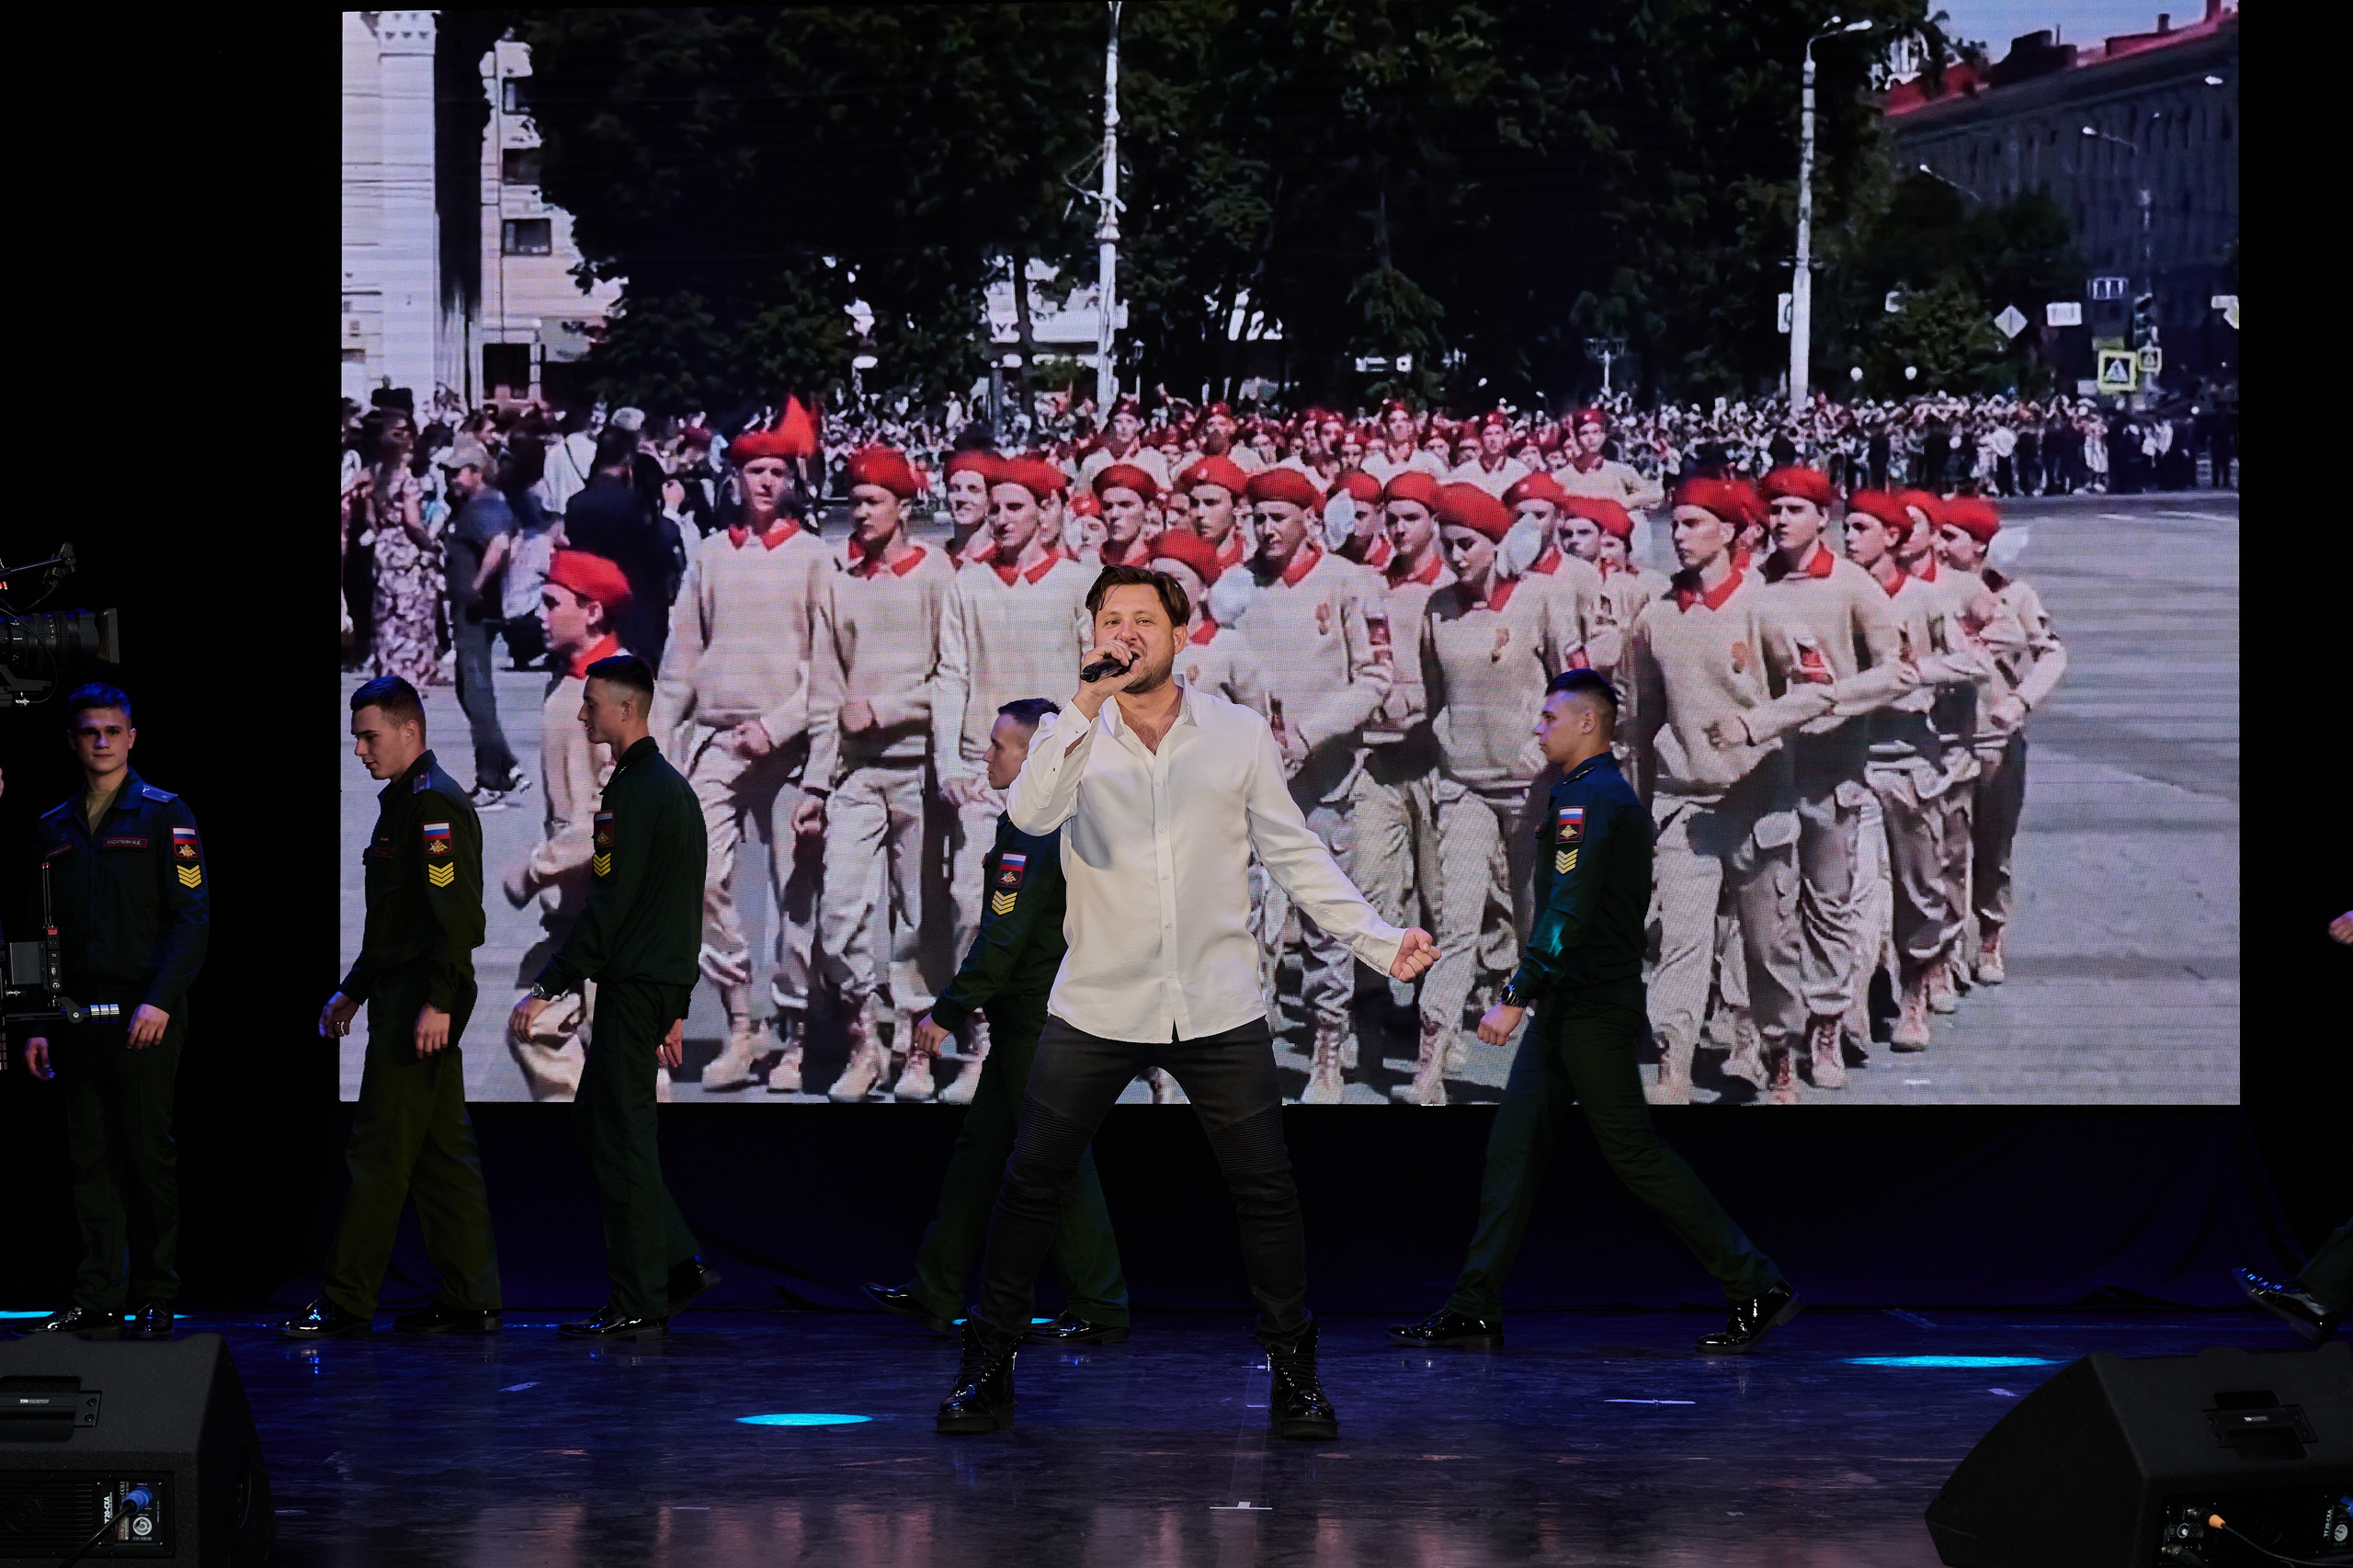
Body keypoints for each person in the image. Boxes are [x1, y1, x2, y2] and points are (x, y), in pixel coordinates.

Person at [933, 565, 1438, 1440]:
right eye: (1108, 621)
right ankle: (988, 1365)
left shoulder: (1235, 733)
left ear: (1180, 633)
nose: (1124, 633)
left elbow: (1294, 851)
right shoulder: (1072, 733)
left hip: (1215, 1001)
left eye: (1141, 620)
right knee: (1030, 1185)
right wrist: (1083, 708)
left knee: (1265, 1190)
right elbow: (1030, 814)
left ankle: (1294, 1374)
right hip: (1097, 1001)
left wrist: (1377, 940)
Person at [1389, 672, 1801, 1355]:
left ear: (1588, 724)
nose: (1537, 729)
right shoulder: (1587, 795)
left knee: (1634, 1154)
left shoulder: (1591, 801)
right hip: (1569, 1006)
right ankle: (1473, 1306)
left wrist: (1515, 995)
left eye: (1549, 718)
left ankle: (1756, 1283)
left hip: (1588, 1007)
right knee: (1511, 1154)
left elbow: (1567, 912)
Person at [866, 699, 1131, 1344]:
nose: (987, 756)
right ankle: (935, 1285)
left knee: (1059, 1160)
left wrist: (948, 1009)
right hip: (1026, 1019)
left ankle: (1100, 1304)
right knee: (978, 1154)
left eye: (999, 746)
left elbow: (1003, 937)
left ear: (1034, 754)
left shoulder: (1035, 826)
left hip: (1038, 1022)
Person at [508, 653, 715, 1339]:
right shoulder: (677, 792)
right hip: (657, 985)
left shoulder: (629, 794)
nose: (582, 712)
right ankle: (676, 1263)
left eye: (592, 701)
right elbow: (690, 907)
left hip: (629, 989)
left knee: (623, 1140)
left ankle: (639, 1298)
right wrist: (680, 1000)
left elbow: (608, 908)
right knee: (600, 1123)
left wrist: (547, 986)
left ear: (626, 709)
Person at [287, 676, 501, 1337]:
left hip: (422, 999)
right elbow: (395, 922)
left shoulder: (434, 806)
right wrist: (352, 987)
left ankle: (347, 1300)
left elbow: (455, 916)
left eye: (369, 735)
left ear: (410, 731)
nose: (359, 749)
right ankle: (472, 1295)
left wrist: (439, 1001)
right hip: (402, 993)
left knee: (379, 1148)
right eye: (355, 736)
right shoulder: (403, 804)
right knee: (440, 1154)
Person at [1623, 478, 1831, 1104]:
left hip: (1756, 799)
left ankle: (1776, 1048)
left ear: (1732, 532)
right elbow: (1638, 724)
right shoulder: (1655, 619)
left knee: (1766, 948)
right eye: (1675, 525)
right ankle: (1674, 1063)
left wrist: (1754, 723)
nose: (1678, 536)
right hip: (1684, 803)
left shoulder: (1764, 608)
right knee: (1680, 942)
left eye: (1692, 524)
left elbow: (1819, 687)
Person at [20, 686, 209, 1340]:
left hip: (143, 1013)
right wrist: (40, 1021)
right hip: (76, 1019)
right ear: (72, 741)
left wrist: (160, 999)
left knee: (146, 1155)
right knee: (88, 1160)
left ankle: (156, 1294)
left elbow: (192, 919)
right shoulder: (54, 827)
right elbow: (45, 931)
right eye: (88, 732)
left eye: (112, 730)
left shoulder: (164, 814)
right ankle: (97, 1294)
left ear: (133, 737)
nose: (101, 741)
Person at [648, 420, 831, 1093]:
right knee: (699, 876)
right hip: (717, 741)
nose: (765, 482)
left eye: (778, 472)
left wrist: (782, 723)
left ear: (791, 482)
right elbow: (680, 664)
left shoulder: (815, 556)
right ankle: (739, 1025)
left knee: (795, 891)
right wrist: (656, 745)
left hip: (791, 745)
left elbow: (830, 667)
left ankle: (798, 1036)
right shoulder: (708, 554)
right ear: (734, 478)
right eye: (755, 470)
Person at [1400, 483, 1579, 1106]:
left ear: (1498, 542)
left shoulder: (1540, 600)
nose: (1456, 556)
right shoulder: (1437, 608)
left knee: (1539, 923)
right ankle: (1432, 1054)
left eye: (1467, 544)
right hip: (1465, 785)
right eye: (1447, 544)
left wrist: (1548, 749)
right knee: (1455, 914)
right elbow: (1429, 693)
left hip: (1533, 788)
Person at [932, 457, 1095, 1102]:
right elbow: (950, 675)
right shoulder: (966, 586)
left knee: (1062, 919)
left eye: (1014, 507)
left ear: (1045, 512)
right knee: (977, 907)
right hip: (984, 773)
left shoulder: (1079, 585)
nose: (1000, 519)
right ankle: (981, 1049)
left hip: (1059, 778)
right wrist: (949, 761)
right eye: (993, 507)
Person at [1234, 465, 1393, 1098]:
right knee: (1238, 916)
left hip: (1323, 779)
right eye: (1259, 518)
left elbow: (1376, 679)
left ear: (1309, 519)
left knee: (1325, 918)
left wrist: (1309, 733)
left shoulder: (1351, 585)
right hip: (1247, 780)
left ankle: (1328, 1041)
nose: (1267, 529)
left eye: (1279, 517)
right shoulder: (1236, 587)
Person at [803, 446, 955, 1100]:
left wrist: (889, 710)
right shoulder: (841, 582)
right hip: (855, 777)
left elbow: (952, 678)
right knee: (839, 911)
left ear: (905, 508)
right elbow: (823, 690)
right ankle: (863, 1042)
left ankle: (915, 1051)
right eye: (855, 501)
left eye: (873, 502)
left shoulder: (936, 576)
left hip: (917, 769)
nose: (860, 513)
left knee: (919, 918)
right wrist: (815, 782)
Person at [1755, 467, 1909, 1089]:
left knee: (1827, 905)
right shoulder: (1753, 584)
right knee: (1767, 907)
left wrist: (1836, 699)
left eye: (1795, 509)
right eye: (1776, 509)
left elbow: (1896, 671)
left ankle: (1826, 1025)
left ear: (1823, 518)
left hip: (1830, 773)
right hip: (1765, 772)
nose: (1782, 519)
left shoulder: (1853, 586)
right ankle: (1773, 1035)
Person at [501, 551, 629, 1099]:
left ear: (593, 612)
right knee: (539, 1024)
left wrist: (538, 869)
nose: (542, 614)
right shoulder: (569, 685)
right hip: (577, 912)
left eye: (554, 603)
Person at [1934, 496, 2064, 987]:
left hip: (1996, 741)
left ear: (1980, 546)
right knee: (1943, 850)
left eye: (1951, 537)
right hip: (1942, 740)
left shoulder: (2016, 596)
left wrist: (2021, 701)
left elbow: (2051, 656)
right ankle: (1942, 953)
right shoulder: (1931, 591)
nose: (1940, 547)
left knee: (1993, 846)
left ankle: (1989, 934)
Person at [439, 438, 528, 808]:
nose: (451, 480)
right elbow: (516, 538)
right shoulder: (480, 505)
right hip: (471, 611)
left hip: (475, 613)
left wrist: (478, 585)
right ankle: (508, 766)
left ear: (476, 473)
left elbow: (502, 544)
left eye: (457, 472)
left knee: (477, 694)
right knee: (467, 687)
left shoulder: (484, 506)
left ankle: (492, 779)